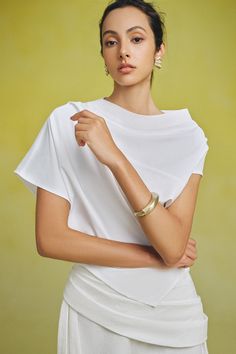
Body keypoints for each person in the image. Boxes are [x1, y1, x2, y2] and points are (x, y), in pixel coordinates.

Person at [14, 0, 210, 353]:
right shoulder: (69, 121)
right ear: (103, 54)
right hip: (96, 306)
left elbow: (173, 245)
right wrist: (154, 256)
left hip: (173, 315)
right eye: (111, 41)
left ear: (159, 50)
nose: (123, 52)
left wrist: (115, 157)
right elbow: (51, 239)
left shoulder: (188, 135)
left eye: (136, 39)